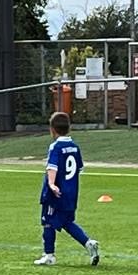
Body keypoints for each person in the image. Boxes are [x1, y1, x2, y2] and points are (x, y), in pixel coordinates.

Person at [34, 111, 100, 266]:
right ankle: (88, 243)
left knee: (48, 221)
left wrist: (51, 184)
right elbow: (80, 168)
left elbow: (52, 167)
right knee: (67, 222)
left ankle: (49, 255)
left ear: (52, 129)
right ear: (69, 128)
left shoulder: (55, 147)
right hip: (71, 192)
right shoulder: (74, 147)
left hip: (55, 192)